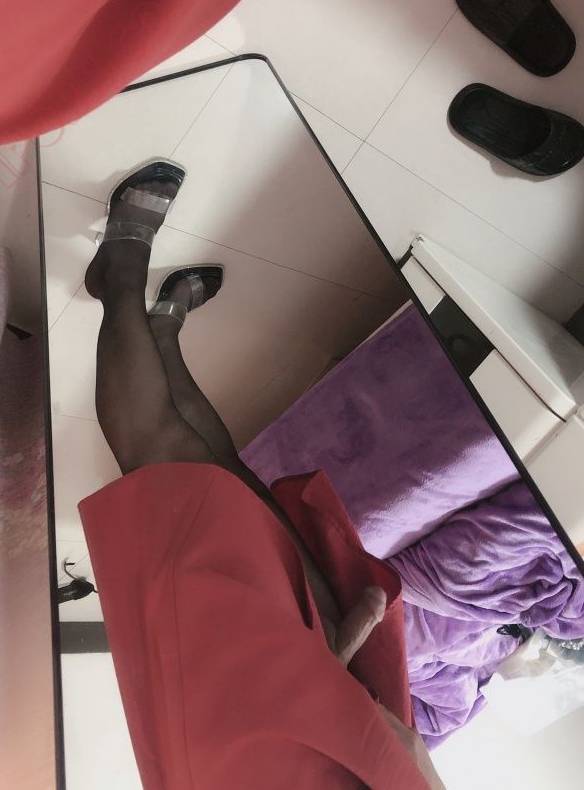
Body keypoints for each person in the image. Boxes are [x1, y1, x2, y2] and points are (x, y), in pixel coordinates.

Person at [79, 161, 446, 789]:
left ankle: (118, 275)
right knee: (236, 492)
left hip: (257, 753)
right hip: (349, 723)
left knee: (167, 472)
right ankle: (162, 338)